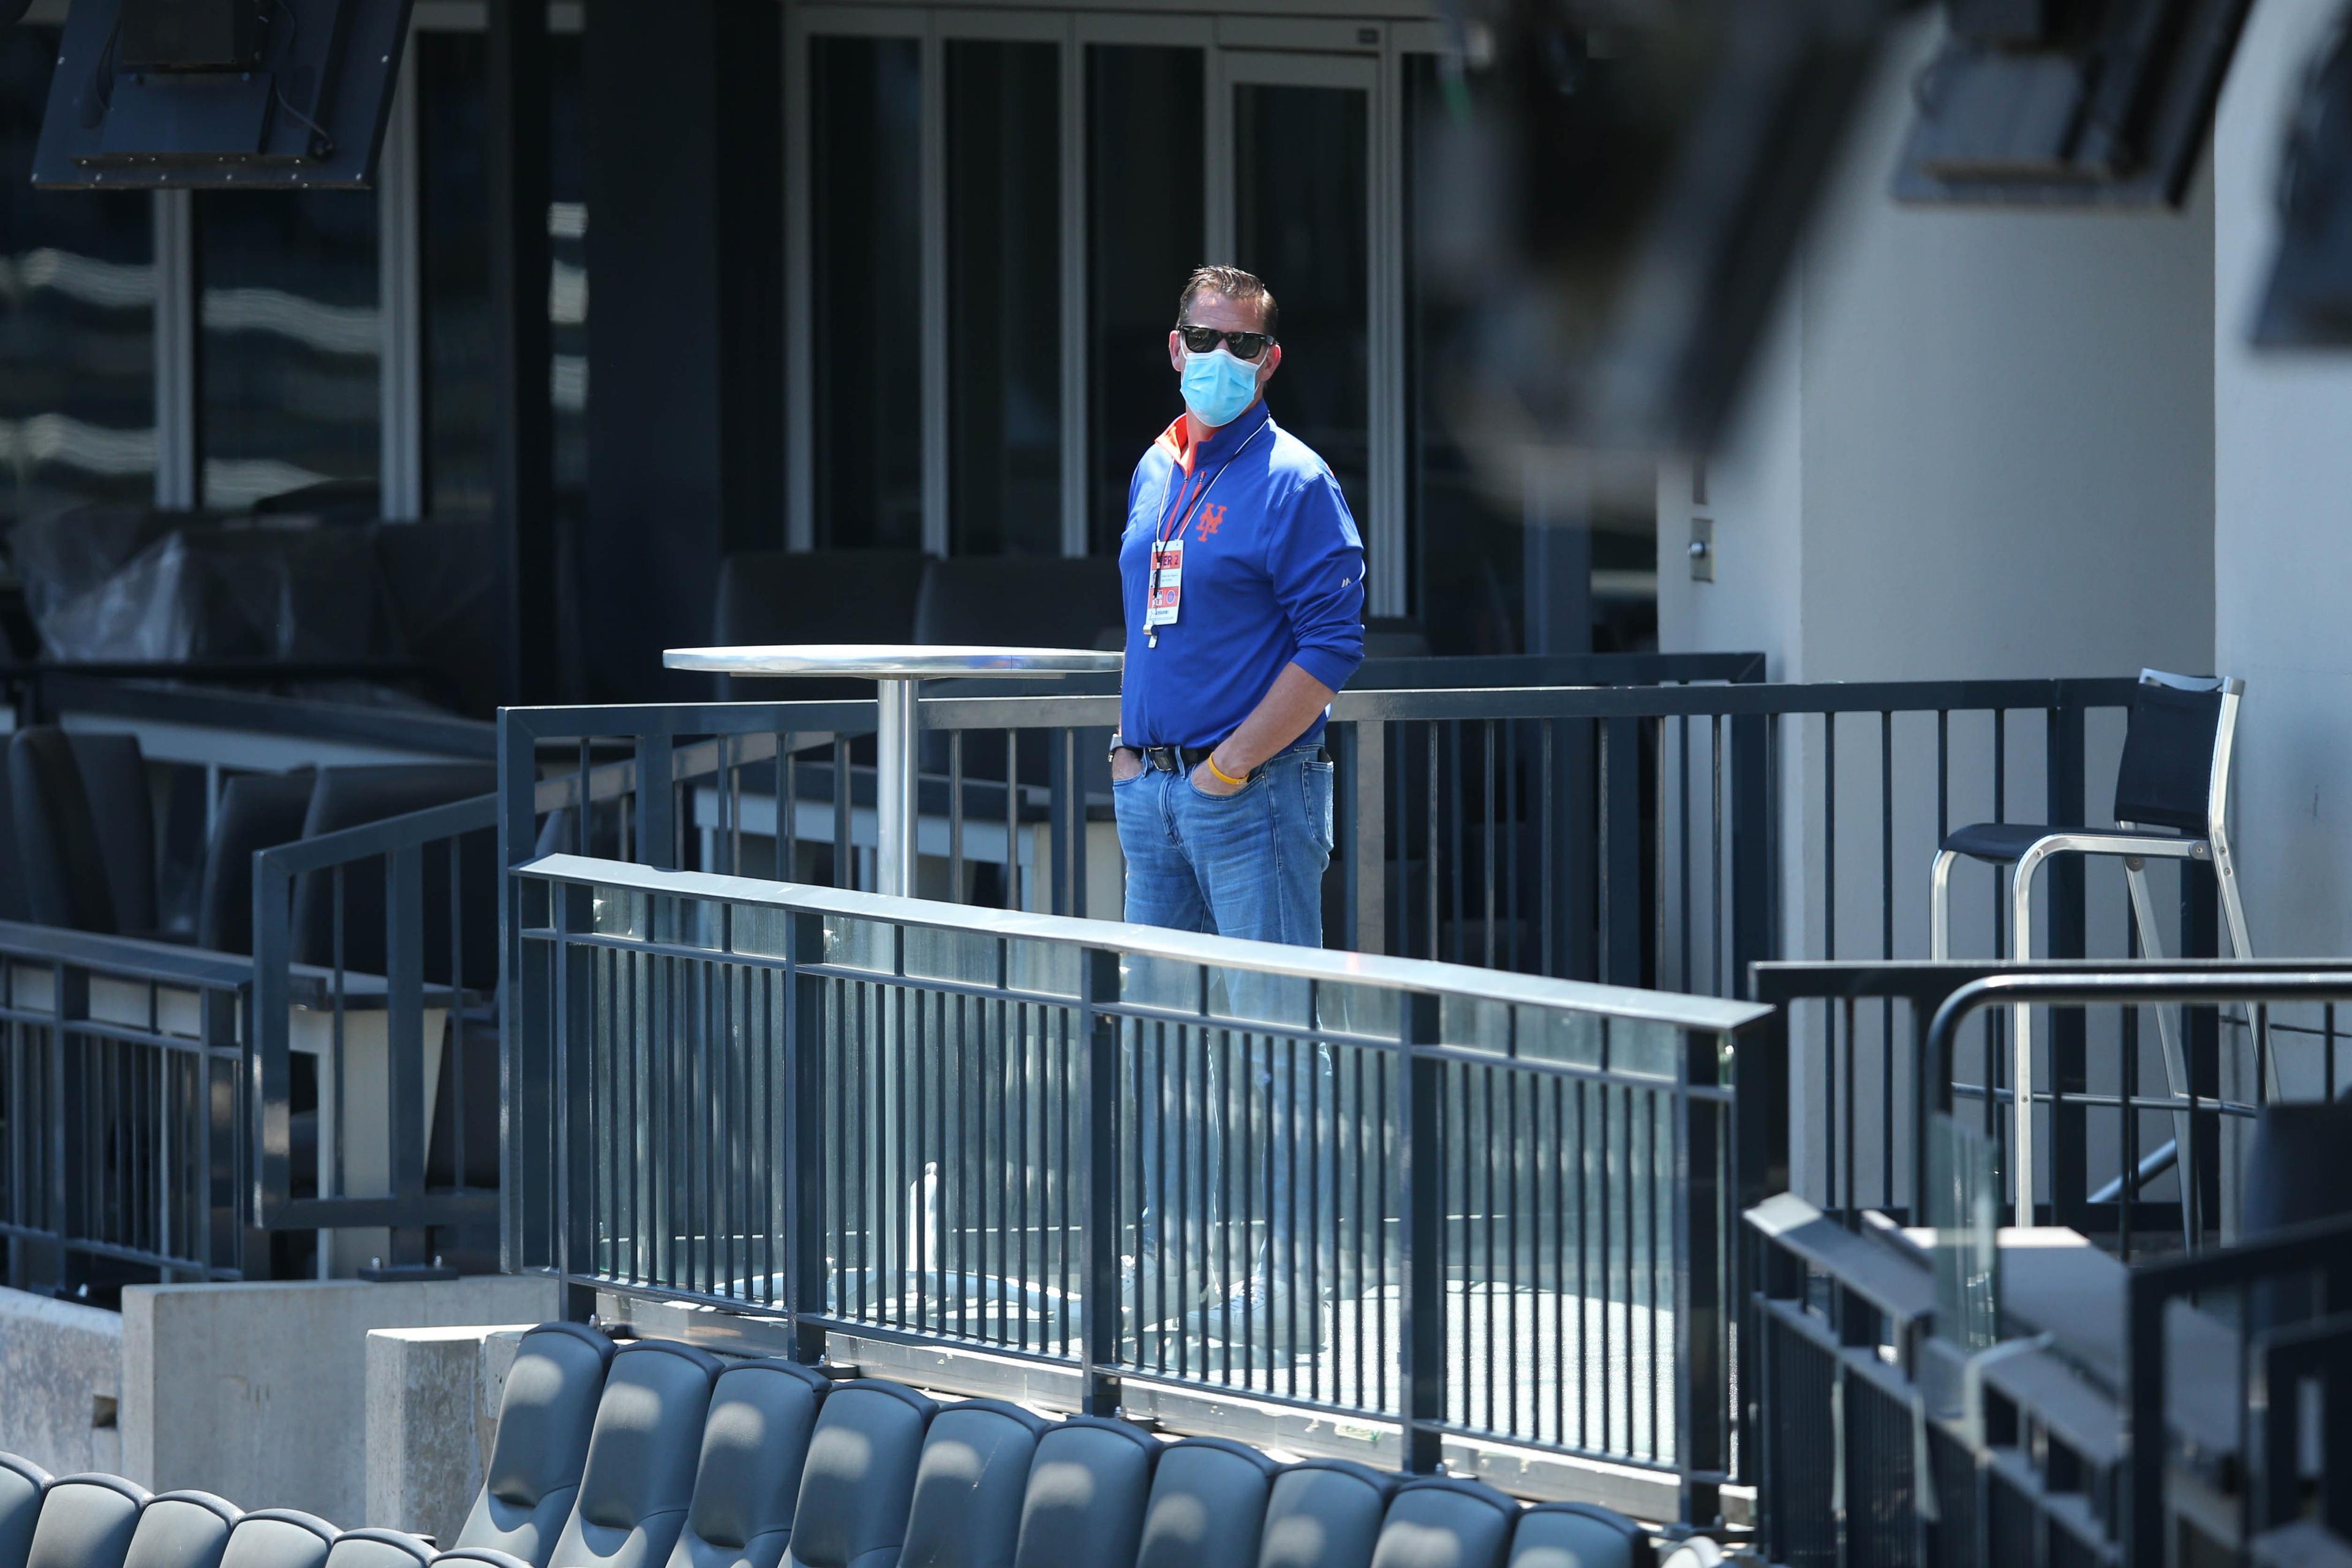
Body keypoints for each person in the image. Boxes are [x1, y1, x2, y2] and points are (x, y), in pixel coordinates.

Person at [1109, 265, 1366, 1353]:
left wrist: (1227, 767)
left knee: (1277, 1043)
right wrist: (1134, 756)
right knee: (1164, 1040)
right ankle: (1173, 1269)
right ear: (1174, 347)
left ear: (1269, 361)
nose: (1219, 359)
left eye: (1242, 345)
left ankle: (1296, 1290)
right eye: (1201, 338)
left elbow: (1333, 647)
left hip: (1249, 794)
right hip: (1153, 791)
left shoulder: (1297, 481)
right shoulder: (1156, 467)